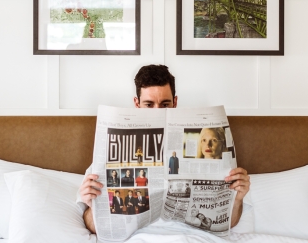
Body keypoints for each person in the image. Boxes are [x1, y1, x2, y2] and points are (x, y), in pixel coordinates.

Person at [79, 64, 250, 234]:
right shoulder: (109, 156)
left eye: (165, 104)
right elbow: (92, 227)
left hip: (190, 242)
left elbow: (231, 222)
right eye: (149, 104)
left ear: (175, 102)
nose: (157, 112)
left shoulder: (209, 155)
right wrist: (93, 205)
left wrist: (237, 200)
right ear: (136, 104)